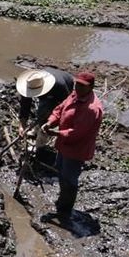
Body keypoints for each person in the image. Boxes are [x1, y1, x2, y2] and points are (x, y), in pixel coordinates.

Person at [42, 70, 104, 225]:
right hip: (64, 145)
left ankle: (64, 211)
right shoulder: (75, 95)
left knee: (70, 179)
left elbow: (77, 133)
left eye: (82, 86)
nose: (78, 87)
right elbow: (59, 110)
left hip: (76, 149)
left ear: (91, 87)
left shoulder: (91, 109)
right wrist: (50, 122)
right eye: (77, 84)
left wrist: (55, 132)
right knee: (61, 172)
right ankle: (62, 202)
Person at [16, 67, 75, 148]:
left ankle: (40, 144)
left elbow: (66, 105)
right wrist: (22, 125)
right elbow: (24, 106)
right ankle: (36, 129)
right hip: (48, 87)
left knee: (46, 117)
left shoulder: (59, 86)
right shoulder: (31, 83)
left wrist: (50, 122)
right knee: (41, 110)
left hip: (62, 89)